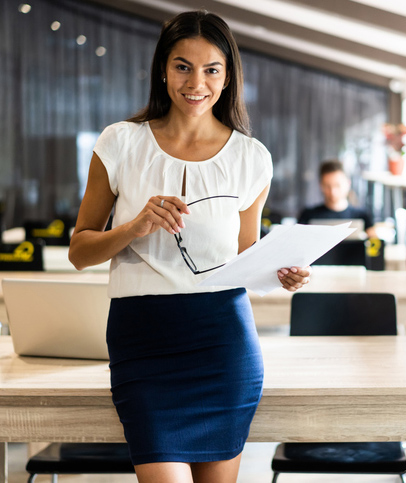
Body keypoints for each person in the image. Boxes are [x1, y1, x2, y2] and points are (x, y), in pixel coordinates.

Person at [69, 10, 310, 483]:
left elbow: (246, 257)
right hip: (143, 338)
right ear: (163, 69)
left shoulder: (251, 157)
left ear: (227, 76)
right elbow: (80, 250)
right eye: (183, 66)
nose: (196, 82)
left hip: (223, 340)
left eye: (211, 69)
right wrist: (134, 227)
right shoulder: (120, 143)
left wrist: (283, 273)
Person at [298, 159, 377, 238]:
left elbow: (374, 246)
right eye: (327, 186)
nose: (333, 192)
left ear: (348, 184)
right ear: (321, 185)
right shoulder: (308, 215)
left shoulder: (362, 216)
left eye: (337, 185)